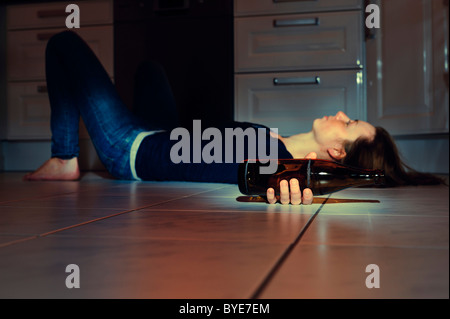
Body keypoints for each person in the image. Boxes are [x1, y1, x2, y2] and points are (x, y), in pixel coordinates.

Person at [24, 31, 444, 205]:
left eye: (348, 123)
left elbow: (273, 180)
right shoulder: (276, 145)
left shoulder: (272, 162)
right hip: (163, 133)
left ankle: (65, 157)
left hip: (128, 148)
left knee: (62, 42)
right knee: (149, 69)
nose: (340, 114)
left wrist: (288, 187)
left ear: (336, 150)